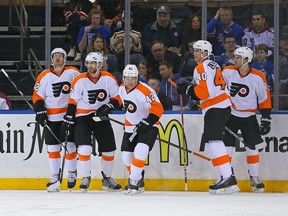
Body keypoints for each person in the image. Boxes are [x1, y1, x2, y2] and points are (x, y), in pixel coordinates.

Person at [177, 40, 238, 194]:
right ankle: (222, 177)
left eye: (197, 50)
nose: (194, 53)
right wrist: (190, 88)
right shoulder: (213, 65)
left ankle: (229, 177)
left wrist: (189, 91)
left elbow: (205, 93)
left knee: (214, 141)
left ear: (205, 53)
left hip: (216, 107)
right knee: (211, 143)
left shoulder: (202, 66)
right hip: (218, 107)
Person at [62, 52, 122, 192]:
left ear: (99, 64)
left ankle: (107, 178)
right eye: (88, 63)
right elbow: (73, 100)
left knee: (109, 149)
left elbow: (117, 99)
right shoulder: (80, 79)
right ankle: (86, 177)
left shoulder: (109, 79)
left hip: (100, 117)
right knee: (84, 148)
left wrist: (107, 107)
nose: (89, 66)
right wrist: (70, 115)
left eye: (92, 63)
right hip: (83, 117)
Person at [221, 47, 272, 193]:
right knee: (227, 147)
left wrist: (266, 118)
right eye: (235, 57)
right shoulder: (228, 72)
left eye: (238, 57)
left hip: (249, 117)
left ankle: (254, 177)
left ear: (246, 60)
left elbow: (264, 99)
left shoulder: (258, 77)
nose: (235, 59)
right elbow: (219, 90)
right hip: (230, 115)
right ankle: (227, 176)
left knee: (252, 147)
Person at [32, 48, 80, 192]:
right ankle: (54, 177)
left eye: (60, 56)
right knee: (52, 149)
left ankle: (72, 173)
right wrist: (40, 110)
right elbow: (37, 96)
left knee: (70, 146)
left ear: (64, 59)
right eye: (55, 56)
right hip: (51, 118)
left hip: (67, 117)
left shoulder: (73, 72)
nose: (58, 58)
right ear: (51, 59)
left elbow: (80, 89)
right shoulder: (44, 75)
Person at [118, 64, 164, 195]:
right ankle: (138, 177)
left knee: (140, 151)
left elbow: (158, 108)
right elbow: (119, 100)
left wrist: (147, 122)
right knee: (126, 157)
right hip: (130, 127)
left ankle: (133, 181)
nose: (130, 81)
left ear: (137, 78)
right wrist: (109, 106)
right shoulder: (121, 88)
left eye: (133, 78)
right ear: (123, 78)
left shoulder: (146, 90)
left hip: (149, 126)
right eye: (128, 78)